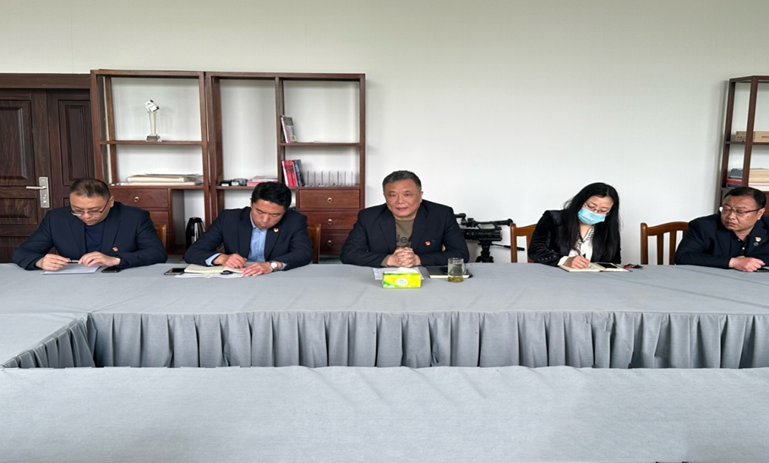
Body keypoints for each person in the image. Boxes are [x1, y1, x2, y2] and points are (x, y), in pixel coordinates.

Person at [13, 178, 167, 270]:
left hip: (119, 281)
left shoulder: (134, 217)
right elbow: (23, 252)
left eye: (94, 210)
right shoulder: (56, 218)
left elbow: (157, 253)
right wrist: (39, 261)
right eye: (78, 210)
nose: (86, 216)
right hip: (72, 285)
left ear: (110, 202)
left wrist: (115, 260)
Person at [340, 170, 469, 267]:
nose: (400, 201)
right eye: (392, 195)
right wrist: (389, 260)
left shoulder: (442, 214)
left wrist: (418, 259)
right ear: (385, 196)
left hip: (426, 278)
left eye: (407, 195)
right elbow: (348, 254)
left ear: (420, 195)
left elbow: (461, 254)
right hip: (381, 278)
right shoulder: (368, 217)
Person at [183, 182, 312, 276]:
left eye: (275, 215)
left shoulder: (295, 220)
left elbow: (303, 253)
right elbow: (192, 252)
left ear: (285, 211)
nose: (265, 220)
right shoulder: (228, 219)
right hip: (239, 278)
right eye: (259, 212)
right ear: (251, 203)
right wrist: (222, 258)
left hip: (276, 278)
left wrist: (272, 265)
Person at [674, 187, 769, 272]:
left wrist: (749, 262)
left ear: (759, 213)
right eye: (726, 209)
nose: (731, 216)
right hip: (710, 278)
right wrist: (733, 262)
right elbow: (683, 256)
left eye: (740, 211)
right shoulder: (703, 226)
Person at [528, 182, 621, 268]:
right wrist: (564, 260)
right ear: (580, 202)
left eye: (603, 210)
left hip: (591, 278)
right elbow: (535, 250)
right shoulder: (552, 218)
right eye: (591, 206)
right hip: (553, 275)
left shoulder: (609, 229)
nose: (595, 212)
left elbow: (614, 261)